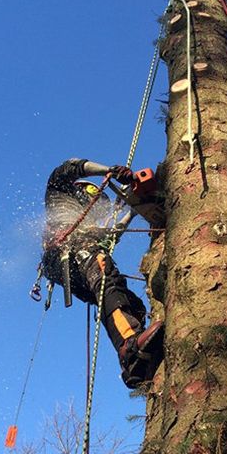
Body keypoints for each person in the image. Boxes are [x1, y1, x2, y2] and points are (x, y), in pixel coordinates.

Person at [41, 158, 163, 389]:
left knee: (132, 302)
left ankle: (139, 364)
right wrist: (110, 171)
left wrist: (132, 214)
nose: (98, 209)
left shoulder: (92, 224)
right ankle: (130, 347)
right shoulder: (60, 192)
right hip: (68, 251)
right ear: (84, 191)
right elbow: (72, 166)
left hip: (75, 265)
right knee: (106, 276)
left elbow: (111, 235)